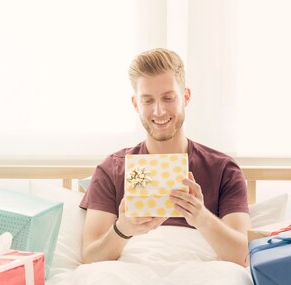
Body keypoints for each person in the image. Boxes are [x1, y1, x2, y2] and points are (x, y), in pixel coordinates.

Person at [80, 48, 251, 267]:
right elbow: (91, 257)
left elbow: (244, 256)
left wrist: (201, 217)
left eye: (168, 98)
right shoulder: (112, 170)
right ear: (135, 104)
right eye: (148, 101)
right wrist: (122, 230)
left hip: (202, 280)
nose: (159, 111)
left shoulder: (223, 170)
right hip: (128, 279)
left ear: (185, 97)